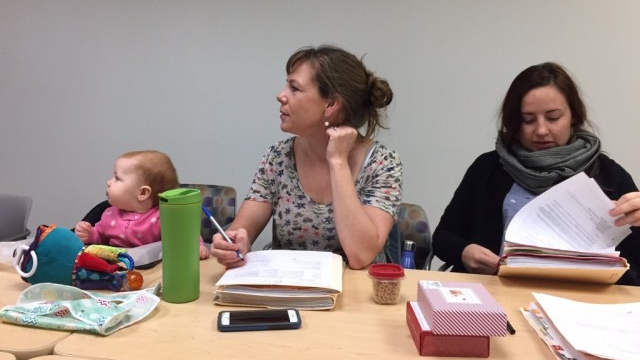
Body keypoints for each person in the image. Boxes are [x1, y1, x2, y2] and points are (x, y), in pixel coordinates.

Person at [432, 62, 640, 285]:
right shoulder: (488, 167)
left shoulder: (608, 175)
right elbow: (443, 237)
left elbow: (634, 267)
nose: (541, 130)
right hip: (494, 292)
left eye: (553, 118)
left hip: (581, 298)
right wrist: (464, 251)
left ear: (574, 116)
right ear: (513, 121)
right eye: (528, 120)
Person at [211, 45, 403, 270]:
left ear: (331, 104)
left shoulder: (383, 163)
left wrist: (338, 162)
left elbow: (361, 256)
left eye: (294, 88)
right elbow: (241, 230)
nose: (280, 96)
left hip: (356, 291)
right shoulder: (278, 157)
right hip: (287, 285)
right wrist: (234, 242)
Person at [75, 150, 210, 260]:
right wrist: (90, 234)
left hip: (153, 272)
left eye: (117, 178)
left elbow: (184, 234)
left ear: (143, 193)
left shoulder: (162, 217)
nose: (108, 182)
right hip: (119, 270)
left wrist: (196, 247)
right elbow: (100, 239)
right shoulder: (109, 214)